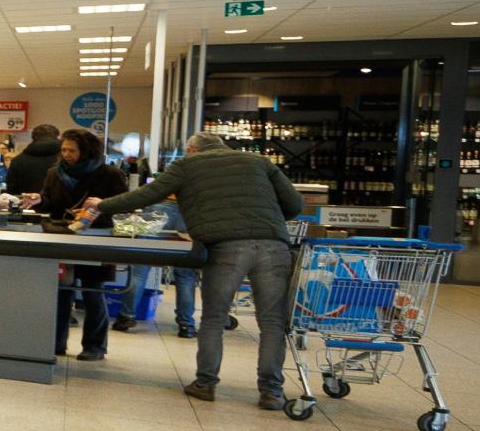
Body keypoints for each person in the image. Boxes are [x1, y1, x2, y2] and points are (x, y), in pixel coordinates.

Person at [77, 129, 304, 408]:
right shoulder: (259, 162)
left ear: (193, 150)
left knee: (213, 318)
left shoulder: (187, 165)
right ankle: (272, 391)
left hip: (226, 247)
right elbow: (295, 205)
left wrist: (103, 204)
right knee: (272, 322)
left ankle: (206, 383)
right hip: (273, 246)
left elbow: (147, 196)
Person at [32, 128, 126, 362]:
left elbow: (123, 206)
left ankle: (95, 346)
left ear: (85, 151)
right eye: (63, 149)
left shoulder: (110, 175)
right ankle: (56, 343)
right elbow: (49, 202)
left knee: (94, 293)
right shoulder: (55, 173)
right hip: (64, 238)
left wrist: (103, 205)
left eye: (71, 150)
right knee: (62, 292)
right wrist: (38, 200)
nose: (66, 154)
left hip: (97, 240)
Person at [110, 198, 199, 339]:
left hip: (160, 208)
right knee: (185, 275)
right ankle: (186, 325)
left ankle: (125, 318)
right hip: (190, 210)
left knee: (140, 269)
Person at [3, 122, 60, 195]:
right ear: (57, 138)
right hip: (61, 206)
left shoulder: (17, 160)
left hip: (25, 204)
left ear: (33, 139)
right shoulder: (65, 159)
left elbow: (11, 190)